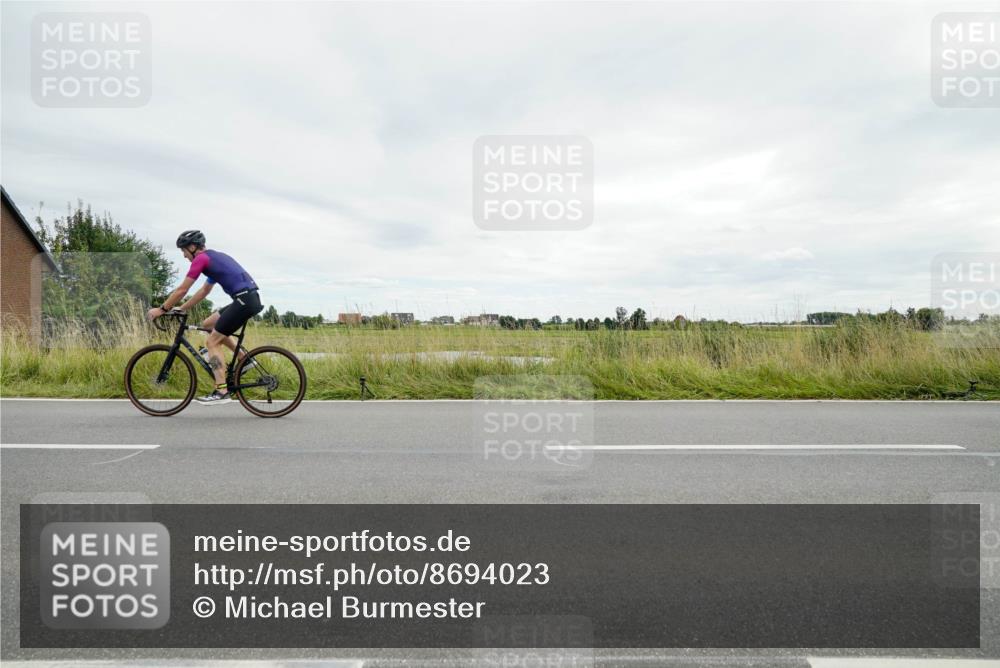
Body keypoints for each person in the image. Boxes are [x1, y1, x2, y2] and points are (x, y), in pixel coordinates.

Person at [147, 230, 264, 404]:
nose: (185, 256)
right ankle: (243, 358)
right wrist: (182, 308)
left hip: (244, 300)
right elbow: (204, 291)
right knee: (208, 324)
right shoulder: (213, 259)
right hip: (247, 298)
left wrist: (163, 309)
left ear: (193, 247)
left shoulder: (201, 259)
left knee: (212, 342)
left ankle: (221, 390)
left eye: (184, 251)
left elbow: (182, 289)